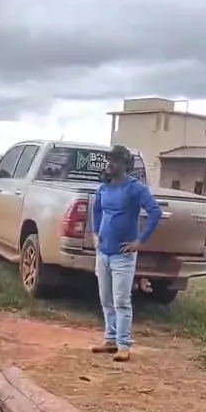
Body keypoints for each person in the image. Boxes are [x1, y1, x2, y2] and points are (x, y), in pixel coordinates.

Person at [91, 145, 162, 361]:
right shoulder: (104, 188)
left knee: (121, 300)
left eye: (115, 160)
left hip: (123, 255)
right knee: (106, 299)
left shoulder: (135, 188)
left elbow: (155, 212)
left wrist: (140, 241)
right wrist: (95, 234)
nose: (109, 164)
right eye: (109, 160)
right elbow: (96, 210)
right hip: (104, 252)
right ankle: (110, 339)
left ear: (125, 164)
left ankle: (123, 345)